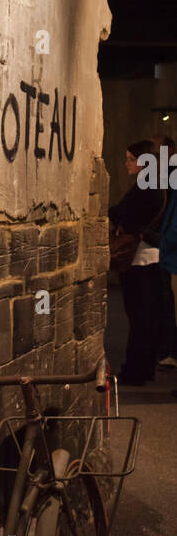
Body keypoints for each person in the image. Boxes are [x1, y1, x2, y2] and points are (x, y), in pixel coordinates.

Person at [108, 140, 166, 386]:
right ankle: (146, 367)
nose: (126, 164)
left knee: (138, 316)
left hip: (139, 258)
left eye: (130, 159)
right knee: (149, 316)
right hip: (153, 256)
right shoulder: (158, 184)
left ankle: (135, 370)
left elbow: (122, 213)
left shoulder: (144, 186)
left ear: (142, 161)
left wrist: (117, 217)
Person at [155, 133, 177, 368]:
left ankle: (171, 350)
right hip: (169, 251)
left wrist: (165, 242)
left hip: (171, 254)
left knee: (169, 304)